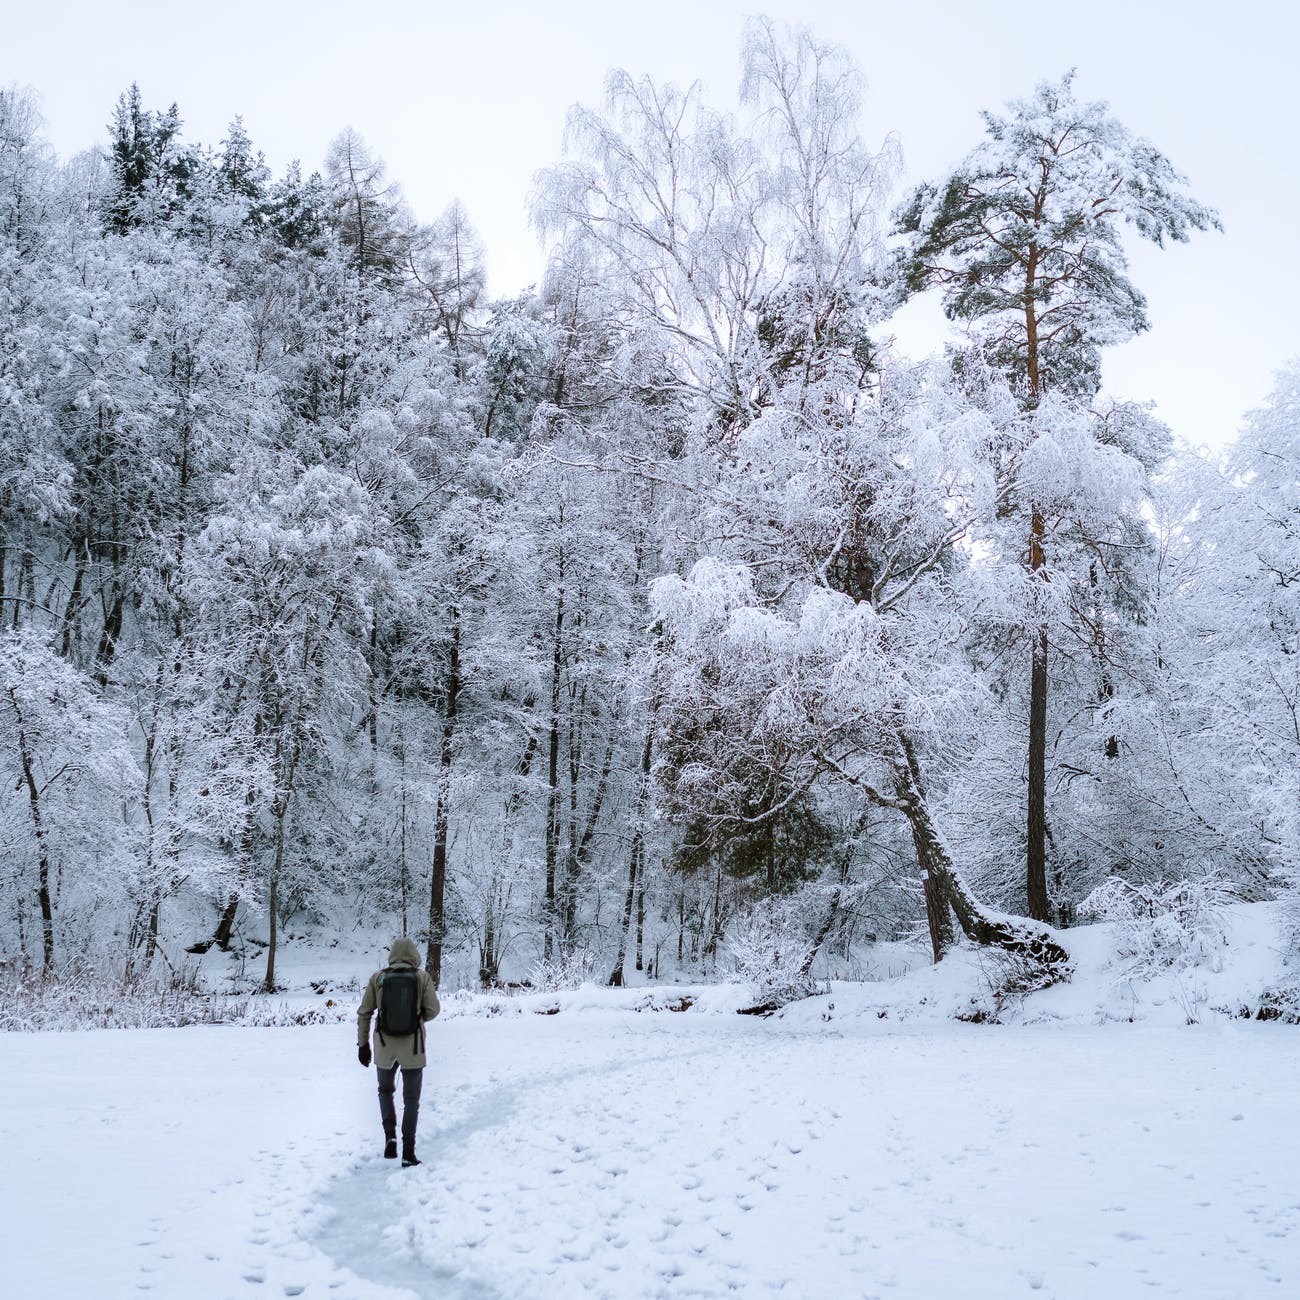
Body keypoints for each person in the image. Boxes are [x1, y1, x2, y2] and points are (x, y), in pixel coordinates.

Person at [356, 936, 440, 1167]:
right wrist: (417, 1017)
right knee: (411, 1100)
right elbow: (433, 1010)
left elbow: (364, 1012)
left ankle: (390, 1137)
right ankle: (408, 1152)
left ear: (392, 955)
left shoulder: (378, 978)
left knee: (385, 1091)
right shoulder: (421, 977)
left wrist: (363, 1044)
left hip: (384, 1045)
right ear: (414, 956)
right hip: (413, 1046)